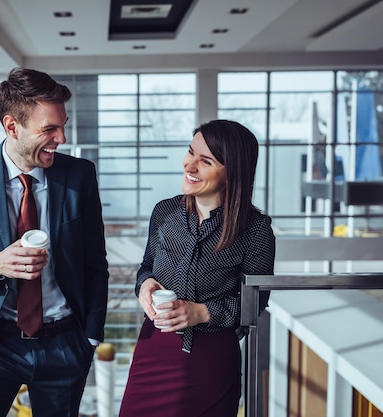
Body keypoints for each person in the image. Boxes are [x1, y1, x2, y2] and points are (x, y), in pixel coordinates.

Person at [0, 67, 109, 417]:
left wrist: (90, 338)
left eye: (63, 125)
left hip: (65, 341)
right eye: (49, 129)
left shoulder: (80, 175)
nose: (61, 138)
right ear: (12, 126)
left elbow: (95, 262)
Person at [118, 119, 276, 417]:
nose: (189, 166)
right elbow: (146, 268)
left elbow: (256, 304)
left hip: (210, 359)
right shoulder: (164, 212)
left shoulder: (256, 230)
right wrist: (145, 286)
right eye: (191, 153)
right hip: (154, 348)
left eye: (205, 161)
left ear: (232, 173)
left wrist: (202, 312)